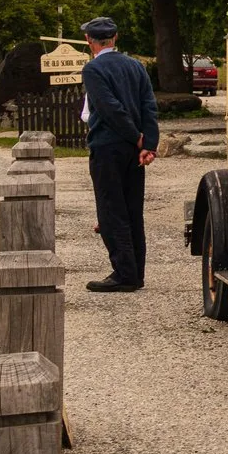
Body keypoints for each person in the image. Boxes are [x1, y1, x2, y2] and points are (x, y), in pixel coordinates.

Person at [78, 16, 159, 292]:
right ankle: (137, 271)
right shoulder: (135, 66)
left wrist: (136, 137)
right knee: (133, 209)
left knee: (112, 210)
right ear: (115, 38)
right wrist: (148, 142)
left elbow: (109, 108)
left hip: (108, 145)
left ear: (90, 41)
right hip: (134, 150)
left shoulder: (93, 70)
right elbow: (149, 105)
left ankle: (123, 272)